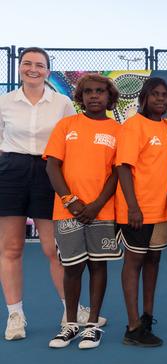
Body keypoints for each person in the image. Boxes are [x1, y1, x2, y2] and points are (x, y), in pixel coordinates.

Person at [0, 47, 101, 341]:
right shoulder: (4, 102)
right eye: (27, 64)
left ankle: (71, 312)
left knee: (54, 249)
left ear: (47, 70)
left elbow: (73, 141)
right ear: (20, 68)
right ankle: (15, 316)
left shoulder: (63, 103)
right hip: (12, 172)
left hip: (48, 173)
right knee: (11, 248)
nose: (33, 69)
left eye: (40, 65)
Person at [43, 74, 122, 349]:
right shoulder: (66, 125)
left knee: (98, 265)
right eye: (88, 91)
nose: (94, 96)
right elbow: (52, 166)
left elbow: (116, 173)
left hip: (102, 211)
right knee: (72, 267)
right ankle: (71, 324)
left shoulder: (117, 130)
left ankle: (92, 326)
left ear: (109, 97)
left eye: (100, 91)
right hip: (68, 212)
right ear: (80, 97)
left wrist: (97, 204)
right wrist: (70, 200)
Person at [116, 77, 167, 347]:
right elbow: (123, 167)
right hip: (137, 211)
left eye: (165, 95)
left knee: (153, 262)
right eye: (155, 95)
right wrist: (133, 206)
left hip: (160, 212)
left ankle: (147, 318)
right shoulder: (133, 125)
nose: (160, 99)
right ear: (144, 98)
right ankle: (132, 326)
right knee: (134, 263)